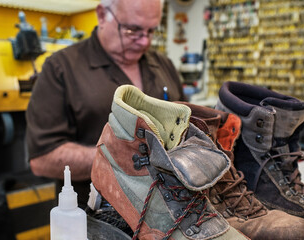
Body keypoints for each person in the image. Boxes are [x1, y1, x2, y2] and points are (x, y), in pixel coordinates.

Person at [26, 0, 185, 207]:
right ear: (102, 15)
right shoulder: (61, 68)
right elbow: (43, 158)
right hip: (96, 219)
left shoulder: (164, 65)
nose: (145, 42)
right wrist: (125, 158)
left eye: (151, 31)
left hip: (170, 214)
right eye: (132, 30)